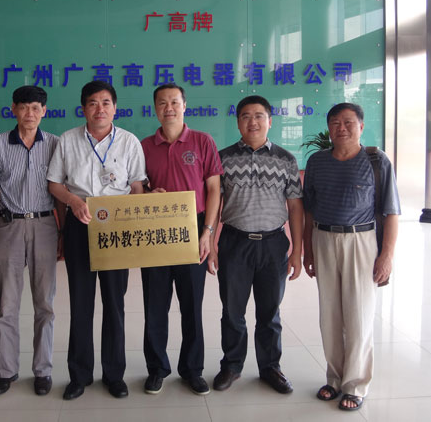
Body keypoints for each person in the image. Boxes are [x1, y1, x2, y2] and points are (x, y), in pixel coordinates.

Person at [47, 80, 146, 400]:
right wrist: (73, 201)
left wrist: (132, 219)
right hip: (80, 224)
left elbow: (137, 186)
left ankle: (114, 375)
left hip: (117, 228)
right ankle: (79, 375)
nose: (99, 108)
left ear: (115, 108)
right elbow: (54, 184)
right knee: (80, 303)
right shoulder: (67, 140)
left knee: (115, 304)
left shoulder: (129, 142)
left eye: (105, 103)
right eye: (92, 103)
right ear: (83, 108)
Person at [302, 102, 400, 412]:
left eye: (348, 122)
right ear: (328, 128)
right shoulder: (317, 161)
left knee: (358, 314)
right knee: (329, 314)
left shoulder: (376, 161)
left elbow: (391, 212)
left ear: (361, 126)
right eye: (335, 122)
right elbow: (308, 210)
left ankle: (355, 384)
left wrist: (386, 256)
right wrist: (307, 249)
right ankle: (334, 378)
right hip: (323, 237)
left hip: (361, 241)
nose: (341, 128)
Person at [209, 95, 303, 394]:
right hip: (234, 242)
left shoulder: (286, 159)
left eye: (259, 116)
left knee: (269, 312)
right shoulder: (222, 158)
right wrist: (211, 244)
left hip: (273, 244)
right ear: (238, 122)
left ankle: (270, 367)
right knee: (232, 311)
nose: (253, 122)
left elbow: (295, 207)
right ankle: (232, 365)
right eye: (246, 116)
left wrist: (297, 251)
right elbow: (214, 203)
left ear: (270, 121)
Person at [0, 85, 63, 397]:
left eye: (36, 108)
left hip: (45, 227)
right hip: (9, 227)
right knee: (8, 304)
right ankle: (6, 370)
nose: (30, 113)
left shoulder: (54, 144)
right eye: (24, 107)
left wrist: (62, 234)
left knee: (45, 304)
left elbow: (60, 193)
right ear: (13, 109)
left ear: (44, 111)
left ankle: (43, 370)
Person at [140, 84, 222, 395]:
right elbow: (136, 187)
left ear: (185, 105)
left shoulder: (202, 141)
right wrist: (149, 193)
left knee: (192, 305)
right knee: (155, 305)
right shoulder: (144, 146)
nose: (169, 108)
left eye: (174, 102)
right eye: (162, 103)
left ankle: (192, 369)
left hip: (194, 228)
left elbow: (214, 190)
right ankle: (156, 369)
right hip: (156, 230)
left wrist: (208, 233)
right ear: (155, 109)